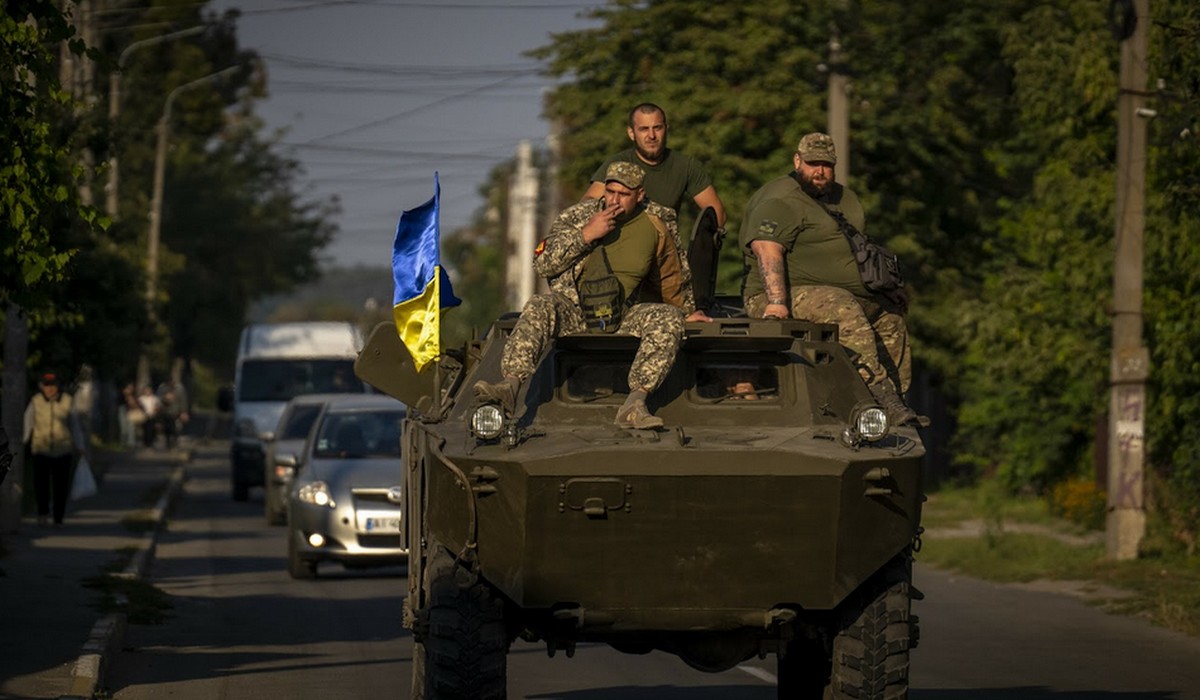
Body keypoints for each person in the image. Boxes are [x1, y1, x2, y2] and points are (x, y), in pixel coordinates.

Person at [475, 161, 711, 429]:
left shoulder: (659, 221)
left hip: (624, 313)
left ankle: (634, 404)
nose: (614, 200)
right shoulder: (578, 216)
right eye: (610, 191)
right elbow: (542, 264)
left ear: (640, 194)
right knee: (540, 305)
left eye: (624, 194)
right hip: (575, 309)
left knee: (668, 318)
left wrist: (687, 310)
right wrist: (586, 234)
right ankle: (510, 386)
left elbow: (672, 272)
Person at [738, 132, 922, 426]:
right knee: (841, 304)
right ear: (797, 161)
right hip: (778, 294)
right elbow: (767, 248)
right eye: (812, 163)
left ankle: (895, 402)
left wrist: (887, 289)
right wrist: (776, 302)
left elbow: (856, 246)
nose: (820, 171)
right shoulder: (781, 199)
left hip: (839, 295)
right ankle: (878, 392)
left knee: (890, 317)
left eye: (826, 164)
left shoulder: (844, 198)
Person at [583, 103, 727, 229]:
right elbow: (587, 202)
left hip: (664, 249)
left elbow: (717, 214)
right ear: (631, 133)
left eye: (657, 128)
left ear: (666, 129)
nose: (651, 136)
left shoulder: (686, 166)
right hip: (621, 246)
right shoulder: (617, 164)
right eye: (644, 129)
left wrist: (700, 248)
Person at [22, 372, 83, 525]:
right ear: (42, 386)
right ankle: (42, 513)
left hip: (63, 450)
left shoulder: (67, 401)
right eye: (47, 385)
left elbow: (74, 426)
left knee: (60, 486)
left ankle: (58, 516)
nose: (50, 389)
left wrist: (80, 446)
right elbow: (28, 423)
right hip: (41, 449)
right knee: (41, 485)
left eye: (52, 385)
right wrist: (23, 442)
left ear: (58, 386)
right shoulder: (36, 401)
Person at [156, 377, 189, 449]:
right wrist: (165, 399)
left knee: (175, 428)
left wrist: (184, 412)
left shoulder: (179, 389)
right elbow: (158, 399)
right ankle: (168, 442)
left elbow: (183, 400)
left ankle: (174, 441)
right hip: (165, 411)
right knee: (167, 428)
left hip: (176, 411)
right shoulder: (162, 388)